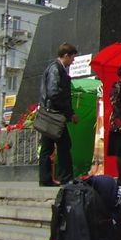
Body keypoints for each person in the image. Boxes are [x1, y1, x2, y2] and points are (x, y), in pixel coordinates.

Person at [38, 43, 79, 186]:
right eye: (72, 57)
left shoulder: (57, 68)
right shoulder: (56, 69)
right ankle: (66, 177)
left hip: (51, 113)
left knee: (47, 147)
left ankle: (46, 178)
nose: (73, 61)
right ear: (66, 55)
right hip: (54, 115)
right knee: (64, 144)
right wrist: (69, 113)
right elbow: (54, 93)